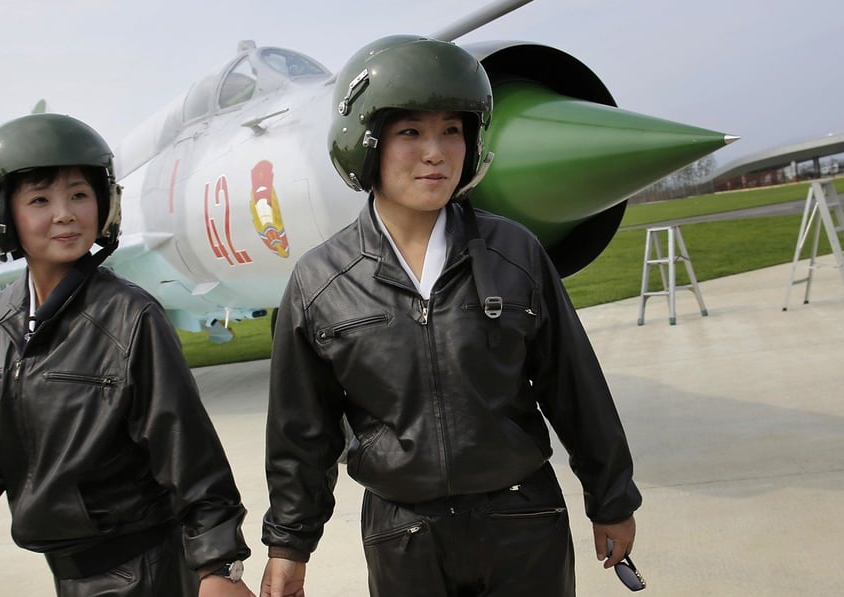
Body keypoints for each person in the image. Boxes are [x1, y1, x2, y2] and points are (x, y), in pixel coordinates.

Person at [260, 36, 641, 596]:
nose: (435, 152)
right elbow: (301, 433)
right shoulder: (320, 283)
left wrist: (612, 499)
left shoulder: (516, 253)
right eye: (410, 131)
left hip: (523, 522)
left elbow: (574, 386)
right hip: (403, 536)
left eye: (452, 131)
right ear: (365, 141)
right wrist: (290, 546)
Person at [0, 113, 254, 597]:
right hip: (69, 575)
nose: (65, 213)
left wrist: (217, 566)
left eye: (79, 195)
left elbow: (187, 450)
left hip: (147, 570)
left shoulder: (130, 318)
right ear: (2, 213)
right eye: (40, 199)